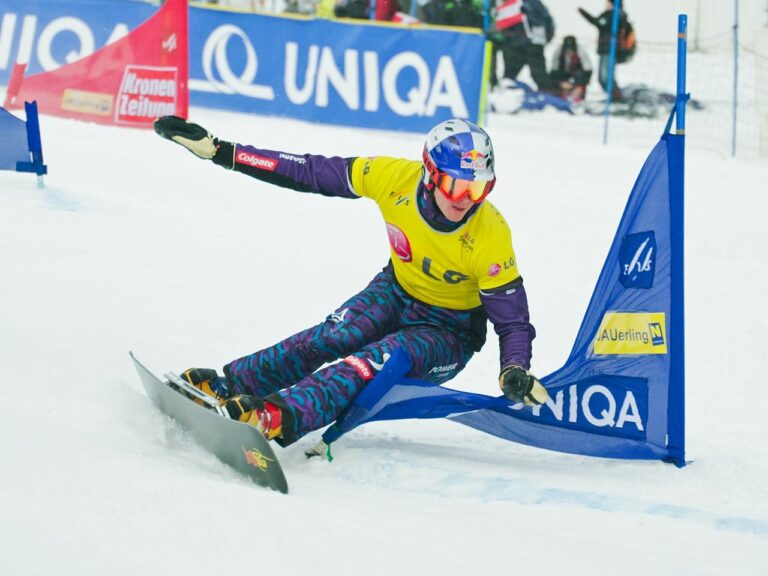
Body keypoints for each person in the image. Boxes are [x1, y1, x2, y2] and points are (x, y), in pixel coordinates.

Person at [153, 115, 548, 446]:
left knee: (369, 362)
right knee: (331, 336)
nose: (465, 199)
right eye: (455, 184)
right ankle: (230, 385)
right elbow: (308, 170)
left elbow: (512, 320)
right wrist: (224, 152)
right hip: (396, 290)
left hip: (449, 332)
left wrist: (514, 367)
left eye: (478, 187)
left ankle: (275, 416)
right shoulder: (392, 177)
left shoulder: (490, 233)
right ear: (429, 173)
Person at [491, 0, 555, 92]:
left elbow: (544, 20)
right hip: (515, 46)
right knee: (509, 78)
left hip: (532, 44)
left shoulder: (529, 3)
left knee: (539, 77)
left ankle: (548, 98)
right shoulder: (501, 6)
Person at [578, 1, 630, 101]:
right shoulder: (616, 15)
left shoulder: (615, 15)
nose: (606, 4)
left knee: (605, 77)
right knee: (606, 77)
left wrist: (582, 12)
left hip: (609, 50)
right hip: (607, 50)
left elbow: (597, 22)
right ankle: (614, 97)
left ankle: (616, 97)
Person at [549, 35, 593, 103]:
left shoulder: (581, 51)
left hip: (578, 74)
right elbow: (554, 72)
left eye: (571, 50)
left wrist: (577, 85)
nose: (569, 52)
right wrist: (560, 83)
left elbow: (587, 71)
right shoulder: (558, 52)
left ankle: (578, 97)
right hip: (563, 74)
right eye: (567, 50)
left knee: (580, 80)